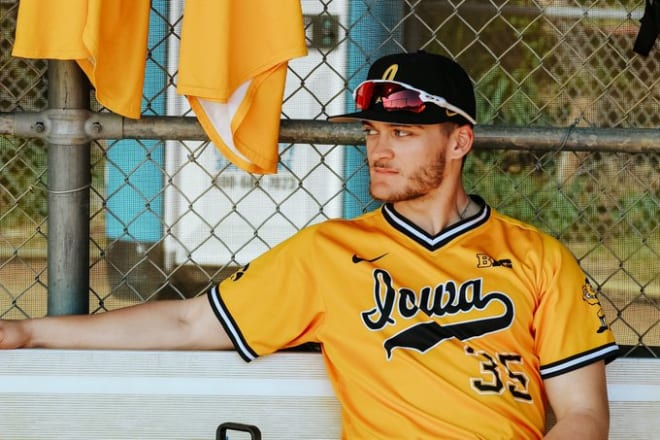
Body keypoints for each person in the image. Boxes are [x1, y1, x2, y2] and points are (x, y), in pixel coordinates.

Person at [0, 50, 618, 439]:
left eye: (403, 133)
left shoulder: (538, 257)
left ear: (458, 142)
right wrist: (30, 333)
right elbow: (191, 322)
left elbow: (585, 416)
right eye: (375, 132)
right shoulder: (329, 252)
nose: (378, 150)